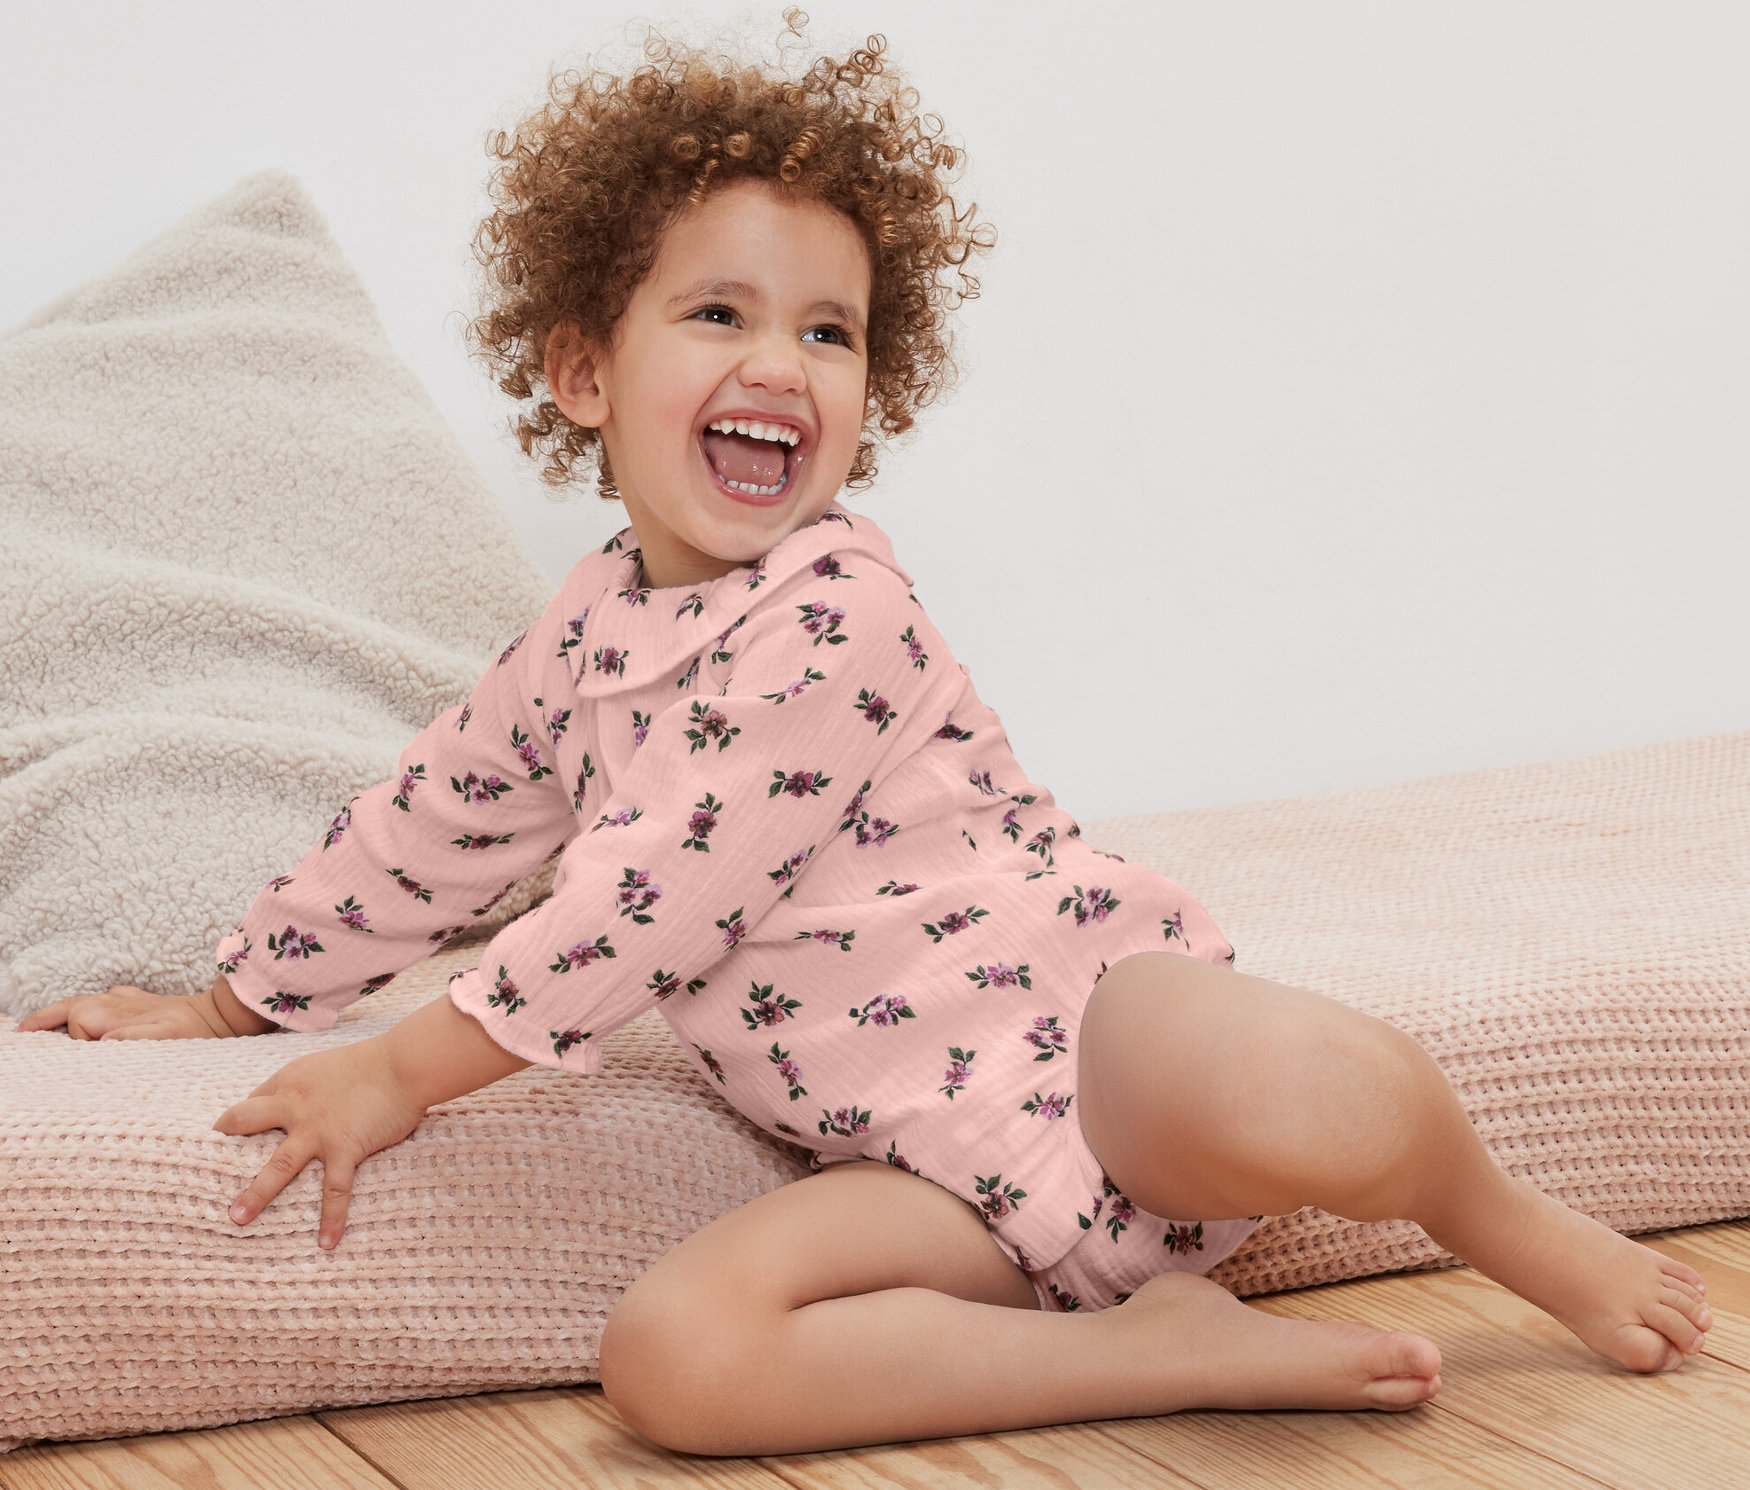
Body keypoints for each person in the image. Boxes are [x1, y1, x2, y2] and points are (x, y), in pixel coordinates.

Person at [16, 16, 1711, 1459]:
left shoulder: (838, 605)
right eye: (720, 314)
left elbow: (648, 899)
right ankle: (1127, 1354)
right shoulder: (580, 638)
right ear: (580, 368)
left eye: (828, 330)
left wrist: (398, 1065)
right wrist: (235, 997)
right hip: (925, 1167)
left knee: (1289, 1084)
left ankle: (1502, 1220)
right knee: (672, 1353)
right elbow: (435, 818)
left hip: (1095, 1047)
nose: (784, 361)